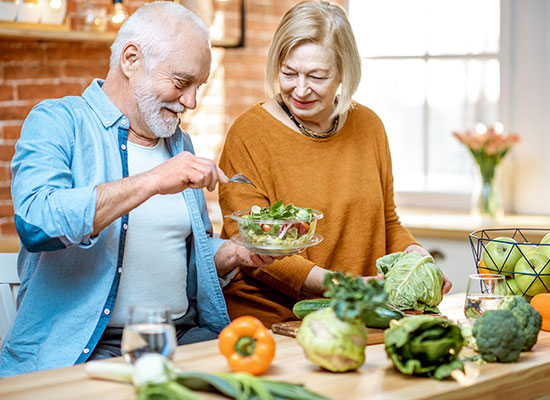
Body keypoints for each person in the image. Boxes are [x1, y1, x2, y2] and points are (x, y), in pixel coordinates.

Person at [0, 2, 277, 377]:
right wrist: (152, 181)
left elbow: (180, 260)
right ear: (131, 60)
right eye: (181, 83)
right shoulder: (58, 122)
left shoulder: (180, 145)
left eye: (198, 87)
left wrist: (235, 253)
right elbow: (37, 223)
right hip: (88, 351)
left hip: (185, 340)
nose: (191, 102)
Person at [218, 0, 452, 328]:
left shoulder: (369, 126)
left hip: (357, 314)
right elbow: (250, 245)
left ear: (343, 71)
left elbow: (387, 222)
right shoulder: (249, 133)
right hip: (274, 321)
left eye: (317, 76)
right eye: (288, 73)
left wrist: (418, 259)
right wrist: (342, 286)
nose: (300, 89)